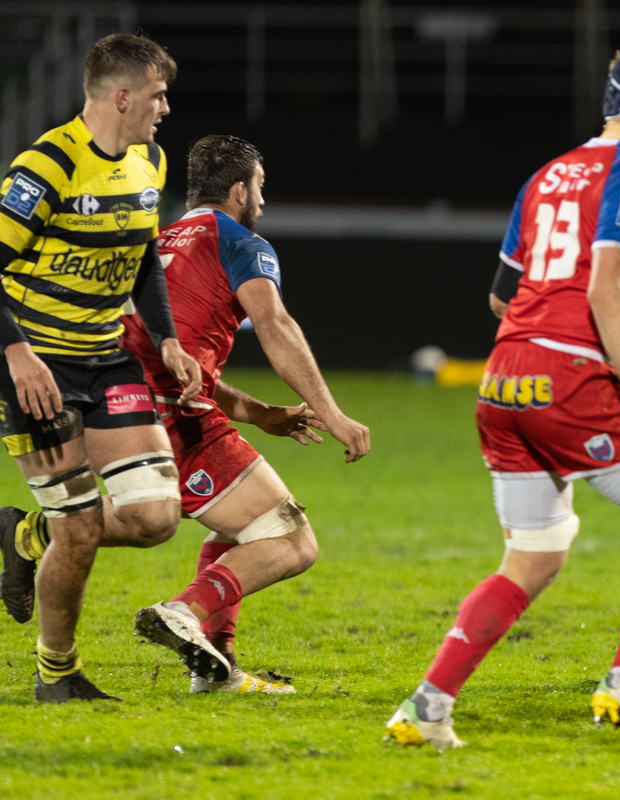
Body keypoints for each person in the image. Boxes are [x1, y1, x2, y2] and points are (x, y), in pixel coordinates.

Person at [385, 44, 620, 751]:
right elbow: (606, 286)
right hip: (570, 380)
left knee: (533, 556)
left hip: (503, 378)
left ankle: (427, 705)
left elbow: (499, 295)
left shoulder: (546, 174)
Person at [3, 135, 371, 693]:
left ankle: (212, 666)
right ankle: (181, 613)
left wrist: (256, 411)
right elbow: (275, 326)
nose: (263, 203)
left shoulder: (156, 239)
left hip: (123, 400)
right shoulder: (241, 241)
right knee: (292, 539)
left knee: (216, 520)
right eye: (261, 189)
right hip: (171, 414)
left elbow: (175, 352)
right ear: (240, 190)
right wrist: (334, 413)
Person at [0, 34, 203, 703]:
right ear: (122, 96)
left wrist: (167, 339)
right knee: (83, 527)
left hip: (105, 358)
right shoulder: (47, 167)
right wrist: (17, 352)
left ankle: (24, 536)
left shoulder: (148, 160)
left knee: (154, 517)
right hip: (36, 367)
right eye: (157, 94)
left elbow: (143, 256)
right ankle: (56, 677)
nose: (165, 107)